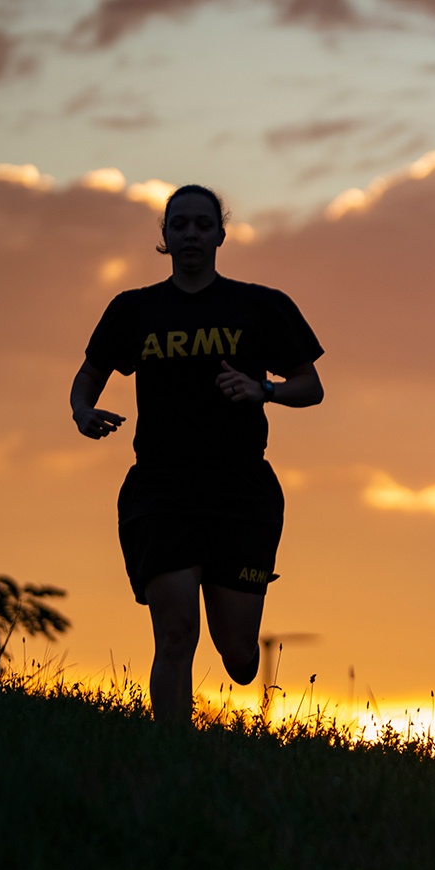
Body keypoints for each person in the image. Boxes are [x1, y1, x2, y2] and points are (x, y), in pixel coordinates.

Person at [69, 184, 324, 726]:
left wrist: (264, 389)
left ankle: (242, 646)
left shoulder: (260, 306)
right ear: (164, 235)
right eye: (179, 224)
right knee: (176, 630)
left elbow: (311, 385)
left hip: (241, 492)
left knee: (236, 653)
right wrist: (82, 410)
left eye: (202, 225)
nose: (190, 234)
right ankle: (173, 753)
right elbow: (89, 375)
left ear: (220, 236)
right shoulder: (134, 310)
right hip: (161, 490)